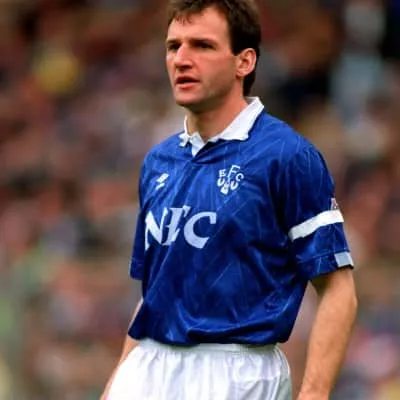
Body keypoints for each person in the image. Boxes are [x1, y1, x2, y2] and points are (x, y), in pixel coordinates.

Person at [101, 1, 358, 399]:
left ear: (244, 61)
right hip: (148, 367)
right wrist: (118, 380)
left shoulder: (286, 156)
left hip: (237, 373)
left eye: (202, 45)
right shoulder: (158, 161)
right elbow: (154, 295)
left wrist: (314, 393)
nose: (182, 59)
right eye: (173, 46)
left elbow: (338, 290)